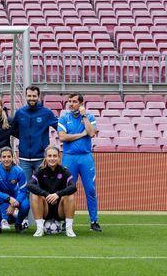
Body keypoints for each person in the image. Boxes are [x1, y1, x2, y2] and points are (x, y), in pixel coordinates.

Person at [58, 93, 101, 232]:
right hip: (69, 158)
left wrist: (84, 117)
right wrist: (82, 135)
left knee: (91, 190)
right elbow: (62, 137)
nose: (71, 104)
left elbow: (92, 133)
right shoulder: (64, 118)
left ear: (81, 103)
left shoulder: (89, 117)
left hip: (85, 157)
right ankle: (66, 221)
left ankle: (94, 221)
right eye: (69, 101)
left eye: (74, 101)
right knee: (67, 190)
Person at [12, 86, 58, 193]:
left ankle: (43, 211)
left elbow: (60, 128)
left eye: (34, 96)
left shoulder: (46, 113)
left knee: (42, 189)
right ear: (25, 96)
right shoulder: (20, 113)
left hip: (41, 158)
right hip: (24, 159)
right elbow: (13, 130)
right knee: (25, 189)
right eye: (29, 96)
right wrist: (24, 139)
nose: (31, 98)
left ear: (38, 97)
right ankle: (26, 210)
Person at [28, 145, 78, 237]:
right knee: (34, 195)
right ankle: (39, 229)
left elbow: (73, 187)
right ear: (45, 157)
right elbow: (30, 185)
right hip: (45, 209)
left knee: (70, 195)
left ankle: (69, 229)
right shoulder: (40, 171)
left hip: (60, 210)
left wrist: (57, 194)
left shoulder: (64, 171)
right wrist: (46, 194)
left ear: (59, 157)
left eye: (55, 156)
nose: (52, 158)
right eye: (49, 156)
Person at [0, 147, 29, 233]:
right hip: (0, 196)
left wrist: (14, 203)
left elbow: (23, 191)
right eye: (4, 157)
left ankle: (18, 224)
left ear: (12, 157)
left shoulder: (19, 171)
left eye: (9, 156)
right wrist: (8, 198)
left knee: (25, 205)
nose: (6, 159)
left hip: (15, 195)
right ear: (0, 158)